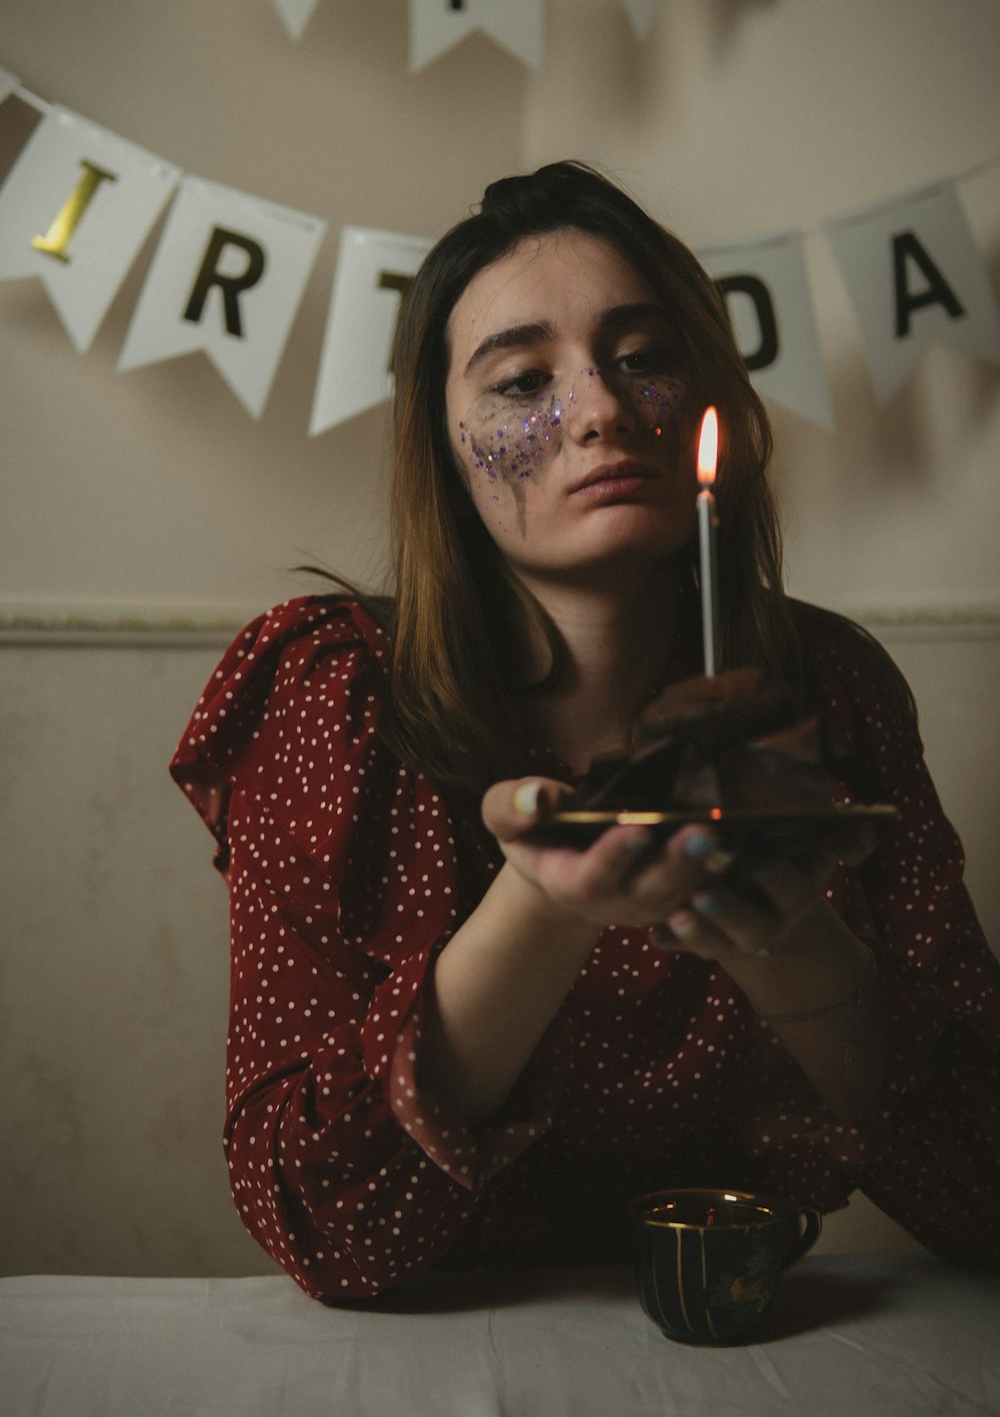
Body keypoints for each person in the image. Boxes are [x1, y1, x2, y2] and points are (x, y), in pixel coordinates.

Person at [171, 161, 1000, 1300]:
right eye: (520, 380)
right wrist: (546, 899)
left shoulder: (834, 691)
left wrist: (787, 931)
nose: (603, 409)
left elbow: (981, 1192)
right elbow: (325, 1232)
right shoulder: (336, 695)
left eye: (645, 356)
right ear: (444, 448)